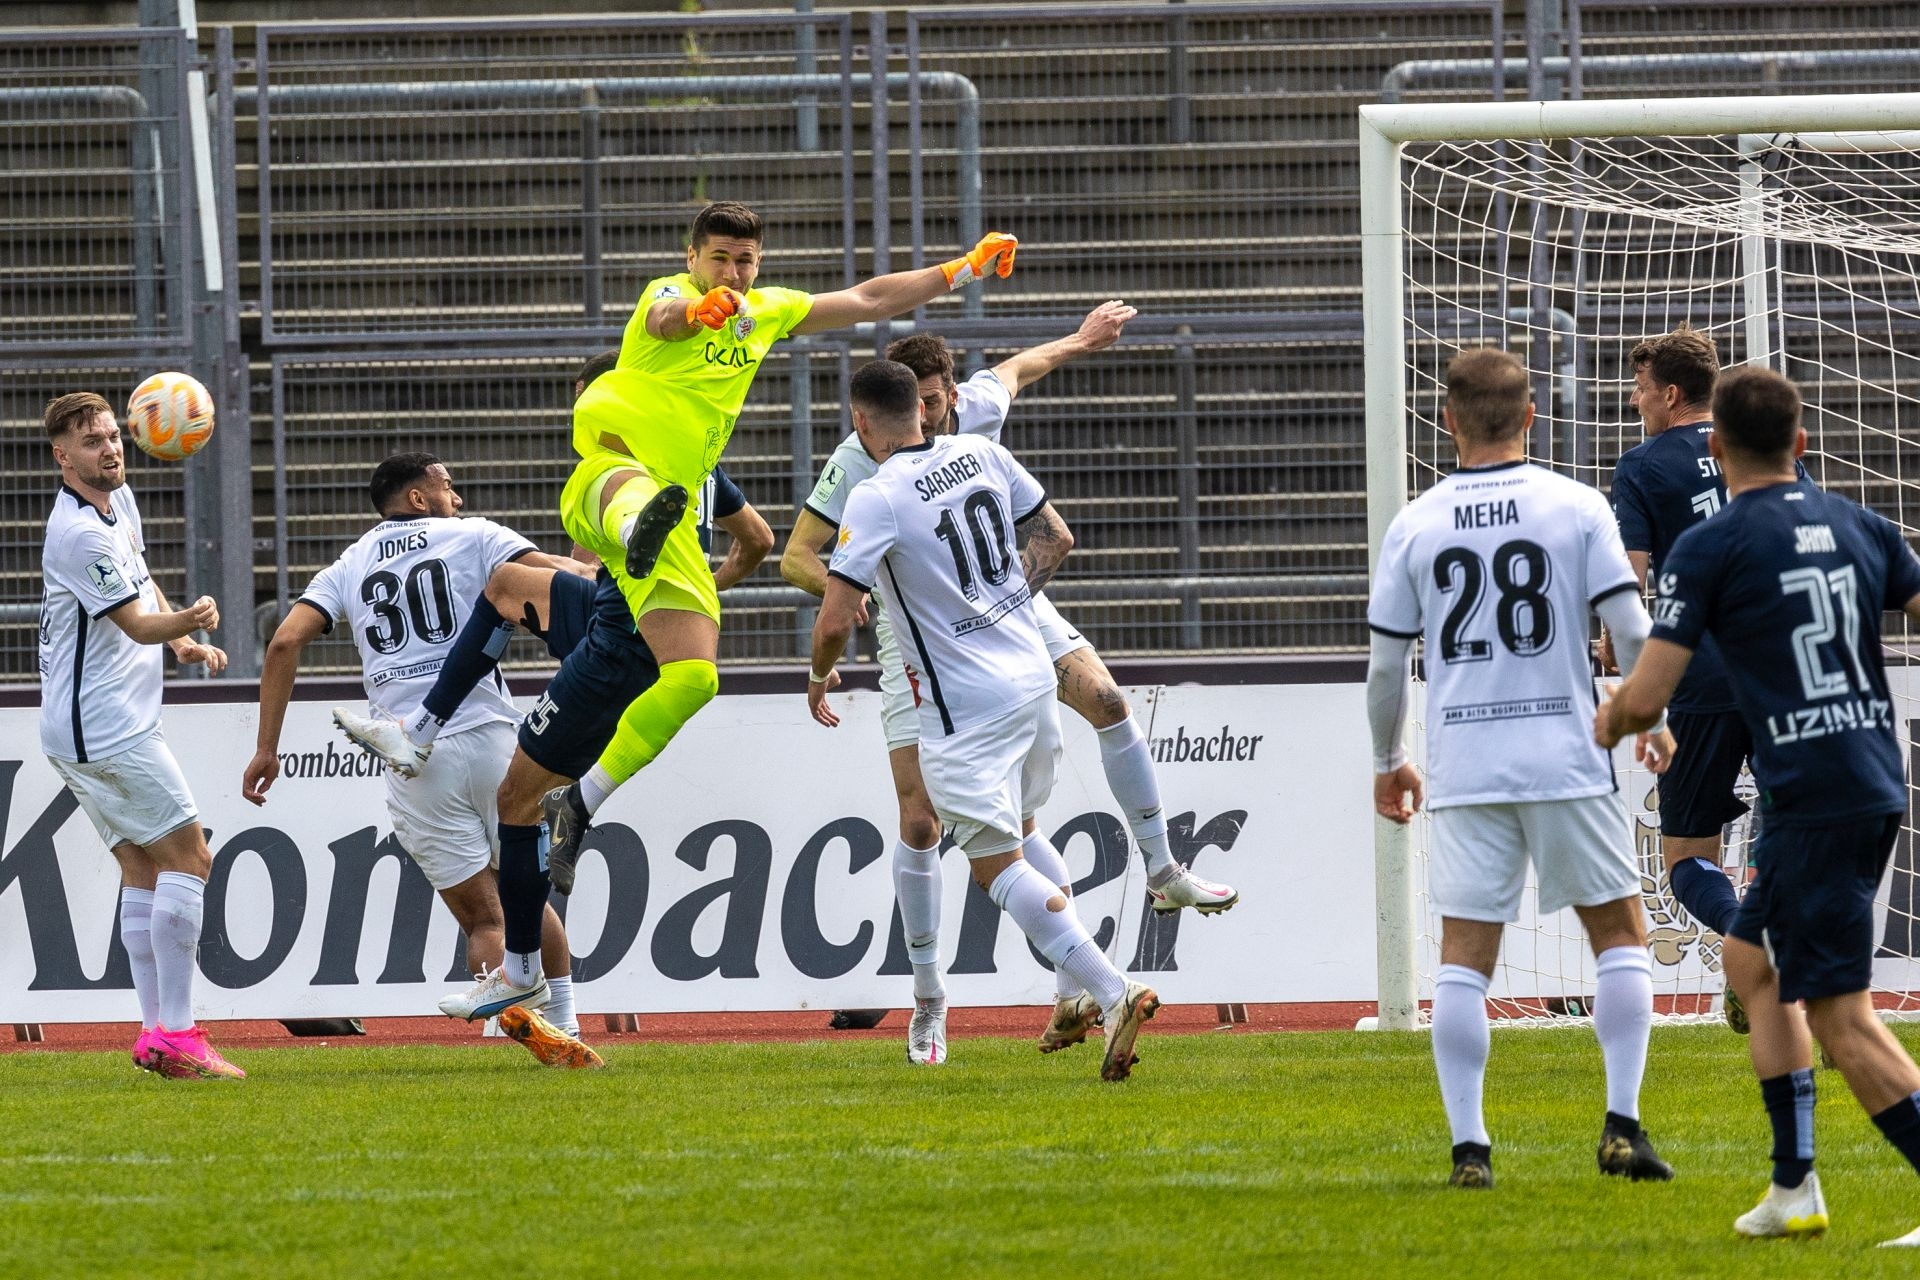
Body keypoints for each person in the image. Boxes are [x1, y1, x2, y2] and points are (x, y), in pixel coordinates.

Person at [533, 202, 1022, 964]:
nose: (733, 272)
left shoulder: (765, 311)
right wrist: (696, 312)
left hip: (678, 506)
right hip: (613, 459)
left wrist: (960, 269)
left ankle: (578, 802)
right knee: (623, 476)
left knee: (694, 677)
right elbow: (665, 319)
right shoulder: (669, 294)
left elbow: (868, 298)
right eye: (719, 258)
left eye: (745, 261)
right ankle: (631, 532)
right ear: (691, 257)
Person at [781, 305, 1236, 1065]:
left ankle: (1113, 975)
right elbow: (1053, 532)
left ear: (939, 396)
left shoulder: (890, 486)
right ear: (914, 403)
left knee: (997, 855)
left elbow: (830, 623)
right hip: (1007, 659)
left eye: (944, 396)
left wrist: (823, 669)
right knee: (954, 827)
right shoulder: (959, 457)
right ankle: (971, 1000)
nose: (939, 407)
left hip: (961, 681)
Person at [332, 356, 773, 1020]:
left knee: (518, 793)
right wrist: (701, 595)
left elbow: (593, 557)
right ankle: (556, 993)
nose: (581, 417)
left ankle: (525, 972)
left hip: (615, 631)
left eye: (586, 401)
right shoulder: (695, 460)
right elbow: (760, 540)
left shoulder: (604, 470)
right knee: (507, 592)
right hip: (657, 636)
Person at [1597, 365, 1920, 1245]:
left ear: (1715, 444)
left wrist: (1608, 718)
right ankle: (1794, 1186)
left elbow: (1647, 693)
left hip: (1814, 794)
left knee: (1843, 1017)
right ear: (1802, 443)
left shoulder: (1712, 546)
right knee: (1750, 961)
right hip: (1867, 770)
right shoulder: (1860, 523)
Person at [1368, 348, 1674, 1188]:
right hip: (1566, 757)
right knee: (1620, 937)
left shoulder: (1416, 523)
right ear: (1532, 416)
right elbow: (1632, 628)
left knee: (1465, 958)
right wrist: (1649, 716)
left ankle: (1470, 1149)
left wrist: (1388, 761)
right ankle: (1622, 1128)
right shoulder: (1576, 505)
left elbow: (1387, 668)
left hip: (1467, 762)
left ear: (1448, 421)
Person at [245, 453, 604, 1068]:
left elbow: (283, 642)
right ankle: (567, 1022)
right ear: (418, 497)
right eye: (448, 486)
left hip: (413, 759)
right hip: (493, 741)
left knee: (485, 920)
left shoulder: (350, 564)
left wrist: (266, 748)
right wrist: (603, 566)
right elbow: (562, 575)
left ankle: (507, 1043)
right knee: (525, 897)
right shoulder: (475, 535)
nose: (457, 499)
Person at [37, 391, 242, 1080]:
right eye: (91, 442)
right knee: (192, 859)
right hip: (107, 731)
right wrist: (190, 619)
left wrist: (181, 643)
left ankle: (156, 1033)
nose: (110, 449)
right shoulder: (78, 533)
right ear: (63, 457)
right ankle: (180, 1033)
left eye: (112, 436)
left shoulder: (116, 502)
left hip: (88, 729)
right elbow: (133, 622)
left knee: (144, 869)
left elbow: (142, 580)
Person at [1604, 326, 1800, 1032]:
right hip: (1784, 673)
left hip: (1701, 676)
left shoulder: (1642, 466)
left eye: (1639, 390)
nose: (1634, 402)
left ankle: (1749, 941)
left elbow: (1628, 584)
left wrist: (1615, 648)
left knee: (1686, 856)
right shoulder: (1759, 448)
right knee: (1795, 834)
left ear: (1670, 394)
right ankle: (1786, 967)